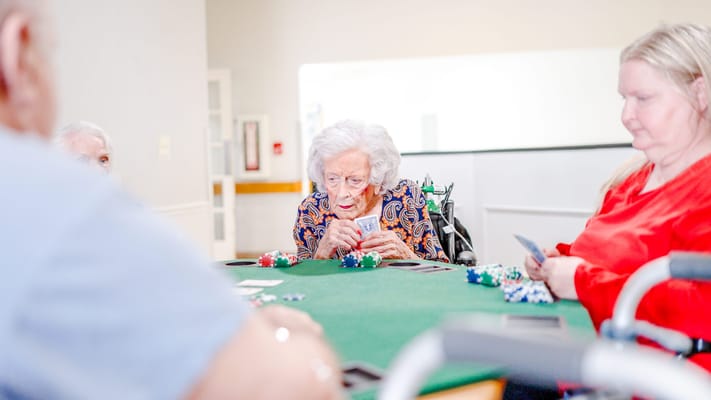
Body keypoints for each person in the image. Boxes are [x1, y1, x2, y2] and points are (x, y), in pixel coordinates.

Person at [0, 1, 343, 398]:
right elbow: (293, 389)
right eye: (50, 56)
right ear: (18, 52)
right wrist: (294, 336)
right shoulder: (57, 205)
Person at [525, 23, 711, 374]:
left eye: (643, 99)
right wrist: (557, 261)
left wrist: (582, 282)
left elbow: (701, 311)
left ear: (700, 93)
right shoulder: (630, 180)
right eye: (624, 99)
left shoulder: (704, 189)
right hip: (586, 355)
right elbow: (606, 256)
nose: (626, 116)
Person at [293, 120, 449, 262]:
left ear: (378, 180)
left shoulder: (407, 197)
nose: (341, 193)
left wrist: (407, 255)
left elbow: (442, 272)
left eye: (355, 181)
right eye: (332, 179)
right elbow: (305, 285)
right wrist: (321, 253)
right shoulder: (311, 210)